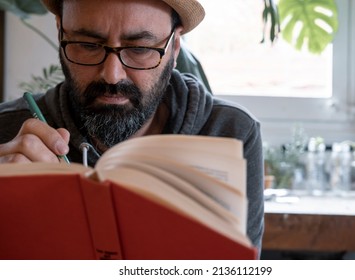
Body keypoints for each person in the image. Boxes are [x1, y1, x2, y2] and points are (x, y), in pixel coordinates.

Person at [0, 0, 264, 257]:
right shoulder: (9, 131)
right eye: (87, 44)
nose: (112, 75)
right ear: (60, 32)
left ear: (174, 48)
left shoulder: (230, 133)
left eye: (140, 48)